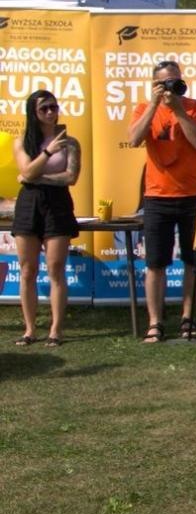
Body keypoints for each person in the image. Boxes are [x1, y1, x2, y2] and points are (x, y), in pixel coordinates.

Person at [128, 60, 196, 343]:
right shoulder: (143, 109)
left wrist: (177, 108)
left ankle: (188, 318)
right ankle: (155, 322)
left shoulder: (195, 106)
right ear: (154, 85)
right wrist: (154, 105)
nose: (171, 87)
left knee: (193, 261)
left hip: (193, 194)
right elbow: (134, 140)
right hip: (157, 196)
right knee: (155, 263)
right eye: (165, 83)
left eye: (175, 81)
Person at [10, 90, 81, 347]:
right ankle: (29, 329)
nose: (51, 112)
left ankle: (55, 330)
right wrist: (48, 153)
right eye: (45, 109)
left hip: (58, 204)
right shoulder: (22, 142)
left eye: (54, 107)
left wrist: (36, 177)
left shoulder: (70, 142)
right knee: (27, 270)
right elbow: (25, 170)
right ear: (34, 113)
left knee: (55, 269)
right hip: (29, 203)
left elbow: (70, 177)